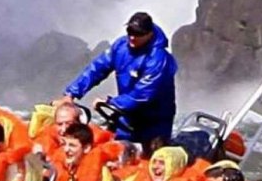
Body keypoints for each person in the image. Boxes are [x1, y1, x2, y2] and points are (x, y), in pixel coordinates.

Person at [60, 11, 177, 147]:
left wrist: (112, 103)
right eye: (130, 31)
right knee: (116, 152)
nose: (132, 37)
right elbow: (97, 67)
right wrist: (71, 93)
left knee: (152, 159)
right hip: (126, 116)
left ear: (149, 34)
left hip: (155, 121)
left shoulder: (158, 59)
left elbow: (143, 95)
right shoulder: (120, 45)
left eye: (138, 33)